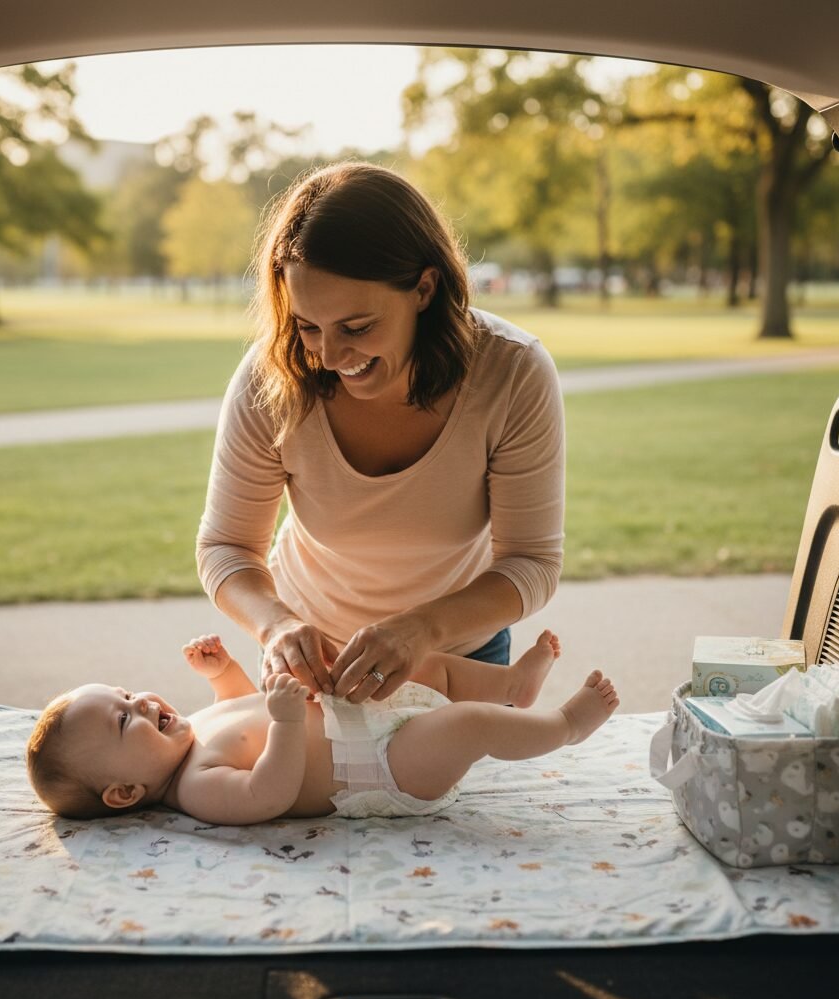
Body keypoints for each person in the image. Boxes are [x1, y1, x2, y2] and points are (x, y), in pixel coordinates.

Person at [196, 163, 565, 704]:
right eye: (307, 325)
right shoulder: (270, 377)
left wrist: (422, 630)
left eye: (357, 327)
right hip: (312, 658)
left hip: (460, 658)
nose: (329, 355)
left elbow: (531, 562)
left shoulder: (512, 371)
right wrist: (275, 624)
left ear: (423, 288)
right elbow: (226, 547)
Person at [25, 632, 618, 825]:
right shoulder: (196, 787)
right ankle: (562, 726)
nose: (143, 700)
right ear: (125, 792)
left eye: (127, 693)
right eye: (125, 717)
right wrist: (285, 720)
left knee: (427, 664)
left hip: (374, 712)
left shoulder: (190, 732)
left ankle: (511, 686)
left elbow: (240, 707)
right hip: (385, 766)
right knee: (466, 725)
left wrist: (224, 672)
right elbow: (268, 792)